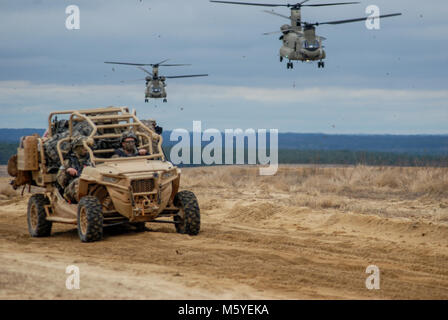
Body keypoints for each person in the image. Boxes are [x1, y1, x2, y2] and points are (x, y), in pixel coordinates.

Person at [56, 136, 92, 203]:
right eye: (83, 146)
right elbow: (60, 181)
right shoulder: (68, 161)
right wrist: (67, 171)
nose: (86, 148)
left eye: (87, 146)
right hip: (71, 189)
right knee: (80, 181)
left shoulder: (91, 159)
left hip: (90, 187)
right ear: (76, 148)